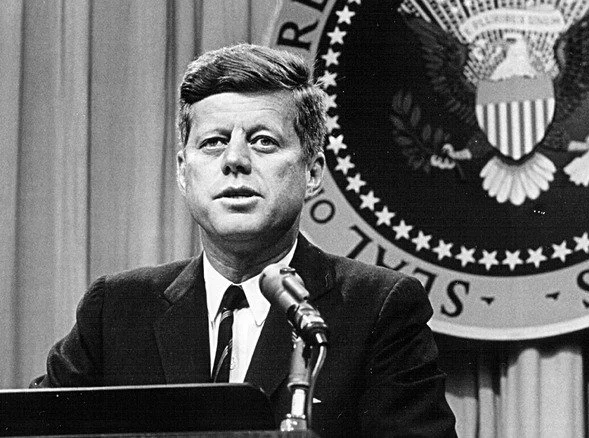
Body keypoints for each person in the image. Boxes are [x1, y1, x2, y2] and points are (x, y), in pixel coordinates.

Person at [33, 43, 457, 437]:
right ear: (183, 171)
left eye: (263, 141)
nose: (235, 160)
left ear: (312, 172)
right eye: (214, 142)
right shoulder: (116, 310)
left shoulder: (380, 308)